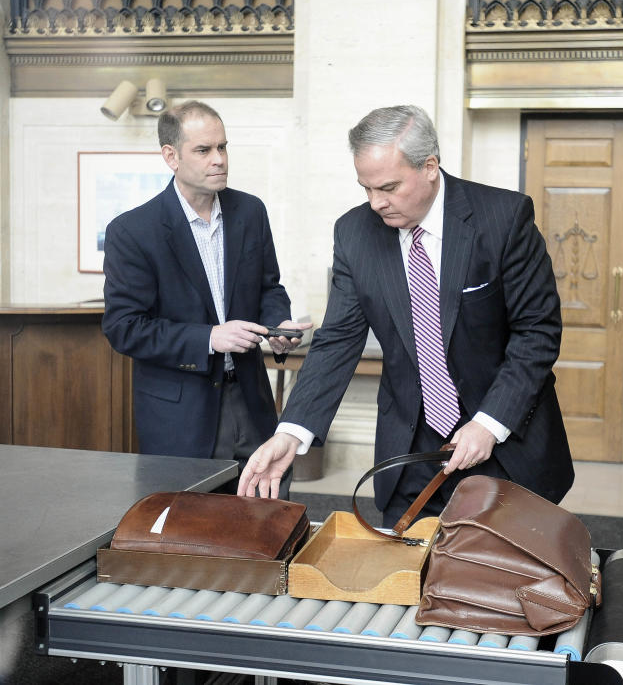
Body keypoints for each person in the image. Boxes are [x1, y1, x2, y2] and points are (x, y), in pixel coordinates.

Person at [237, 105, 573, 525]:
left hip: (503, 445)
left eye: (389, 187)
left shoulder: (503, 219)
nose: (377, 203)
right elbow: (338, 339)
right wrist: (292, 432)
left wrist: (489, 424)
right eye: (367, 189)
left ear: (430, 166)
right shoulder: (355, 233)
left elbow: (536, 332)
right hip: (409, 454)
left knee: (498, 579)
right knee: (407, 577)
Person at [102, 100, 310, 499]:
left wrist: (277, 325)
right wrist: (209, 338)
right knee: (192, 535)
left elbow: (269, 287)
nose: (219, 160)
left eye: (223, 147)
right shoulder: (133, 231)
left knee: (270, 520)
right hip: (181, 414)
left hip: (251, 399)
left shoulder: (250, 212)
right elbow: (123, 328)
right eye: (204, 150)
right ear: (171, 156)